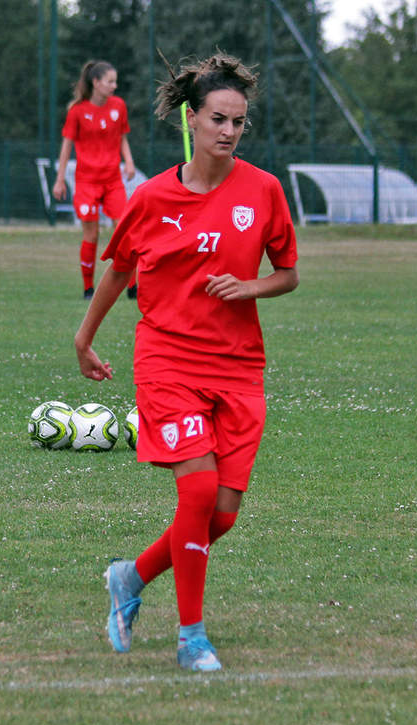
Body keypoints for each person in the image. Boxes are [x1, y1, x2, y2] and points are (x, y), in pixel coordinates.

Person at [73, 53, 300, 672]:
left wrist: (249, 288)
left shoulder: (264, 191)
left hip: (238, 368)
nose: (228, 131)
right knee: (196, 489)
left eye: (239, 122)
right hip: (168, 359)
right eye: (218, 119)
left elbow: (288, 274)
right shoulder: (150, 199)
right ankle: (191, 636)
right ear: (190, 120)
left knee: (220, 516)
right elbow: (119, 269)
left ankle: (131, 576)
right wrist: (84, 338)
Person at [52, 60, 138, 300]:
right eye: (110, 81)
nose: (115, 85)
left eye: (115, 81)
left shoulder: (118, 106)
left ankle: (133, 286)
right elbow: (66, 145)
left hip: (112, 181)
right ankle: (88, 288)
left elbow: (122, 137)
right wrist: (59, 180)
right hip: (87, 183)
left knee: (125, 229)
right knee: (92, 234)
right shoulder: (77, 111)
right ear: (96, 82)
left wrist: (128, 161)